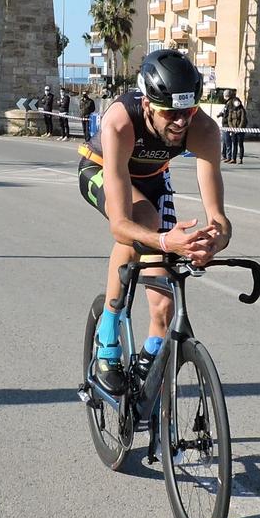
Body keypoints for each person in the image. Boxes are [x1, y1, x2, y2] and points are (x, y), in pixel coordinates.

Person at [78, 49, 230, 392]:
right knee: (142, 220)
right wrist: (163, 241)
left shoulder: (203, 128)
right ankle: (108, 334)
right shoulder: (119, 122)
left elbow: (218, 217)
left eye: (188, 111)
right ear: (148, 105)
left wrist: (214, 240)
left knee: (163, 305)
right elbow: (120, 223)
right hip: (101, 169)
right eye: (171, 113)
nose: (181, 122)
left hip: (152, 178)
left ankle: (148, 375)